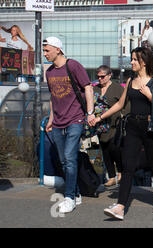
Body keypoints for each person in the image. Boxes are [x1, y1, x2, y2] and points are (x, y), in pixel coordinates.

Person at [92, 47, 153, 219]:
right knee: (128, 166)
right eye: (132, 59)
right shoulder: (130, 81)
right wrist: (99, 118)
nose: (132, 62)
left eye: (135, 59)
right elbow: (120, 104)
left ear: (143, 61)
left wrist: (151, 96)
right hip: (133, 126)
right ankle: (120, 206)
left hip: (151, 127)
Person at [43, 36, 95, 214]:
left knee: (70, 158)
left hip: (75, 119)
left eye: (47, 50)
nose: (45, 54)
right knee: (64, 161)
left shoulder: (73, 65)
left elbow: (88, 87)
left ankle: (69, 197)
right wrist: (50, 119)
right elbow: (53, 97)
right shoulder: (49, 72)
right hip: (58, 121)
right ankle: (76, 193)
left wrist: (89, 113)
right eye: (44, 50)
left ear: (58, 49)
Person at [93, 65, 126, 187]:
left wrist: (124, 116)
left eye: (102, 77)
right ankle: (111, 176)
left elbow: (125, 103)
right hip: (99, 125)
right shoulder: (95, 89)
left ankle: (121, 172)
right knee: (105, 150)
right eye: (98, 77)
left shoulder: (117, 88)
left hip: (114, 124)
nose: (100, 79)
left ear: (109, 75)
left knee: (114, 149)